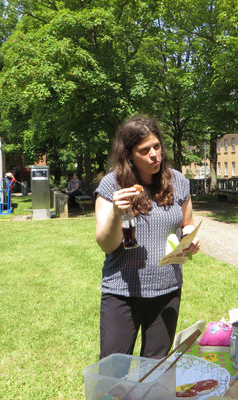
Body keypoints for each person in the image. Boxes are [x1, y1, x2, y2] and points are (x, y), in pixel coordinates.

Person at [94, 115, 200, 359]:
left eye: (157, 146)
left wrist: (189, 238)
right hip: (122, 292)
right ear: (129, 155)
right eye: (145, 150)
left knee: (155, 368)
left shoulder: (178, 182)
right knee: (114, 370)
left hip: (167, 289)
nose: (154, 155)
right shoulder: (113, 185)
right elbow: (106, 245)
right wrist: (116, 212)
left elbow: (187, 223)